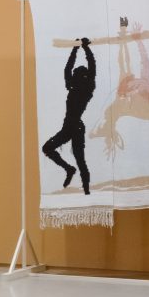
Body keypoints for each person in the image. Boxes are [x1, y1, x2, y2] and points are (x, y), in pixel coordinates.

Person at [42, 38, 95, 194]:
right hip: (73, 126)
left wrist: (77, 48)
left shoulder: (77, 88)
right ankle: (72, 172)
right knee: (78, 159)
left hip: (73, 126)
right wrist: (83, 48)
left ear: (77, 77)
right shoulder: (85, 88)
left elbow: (70, 68)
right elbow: (90, 66)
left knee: (79, 159)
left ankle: (83, 186)